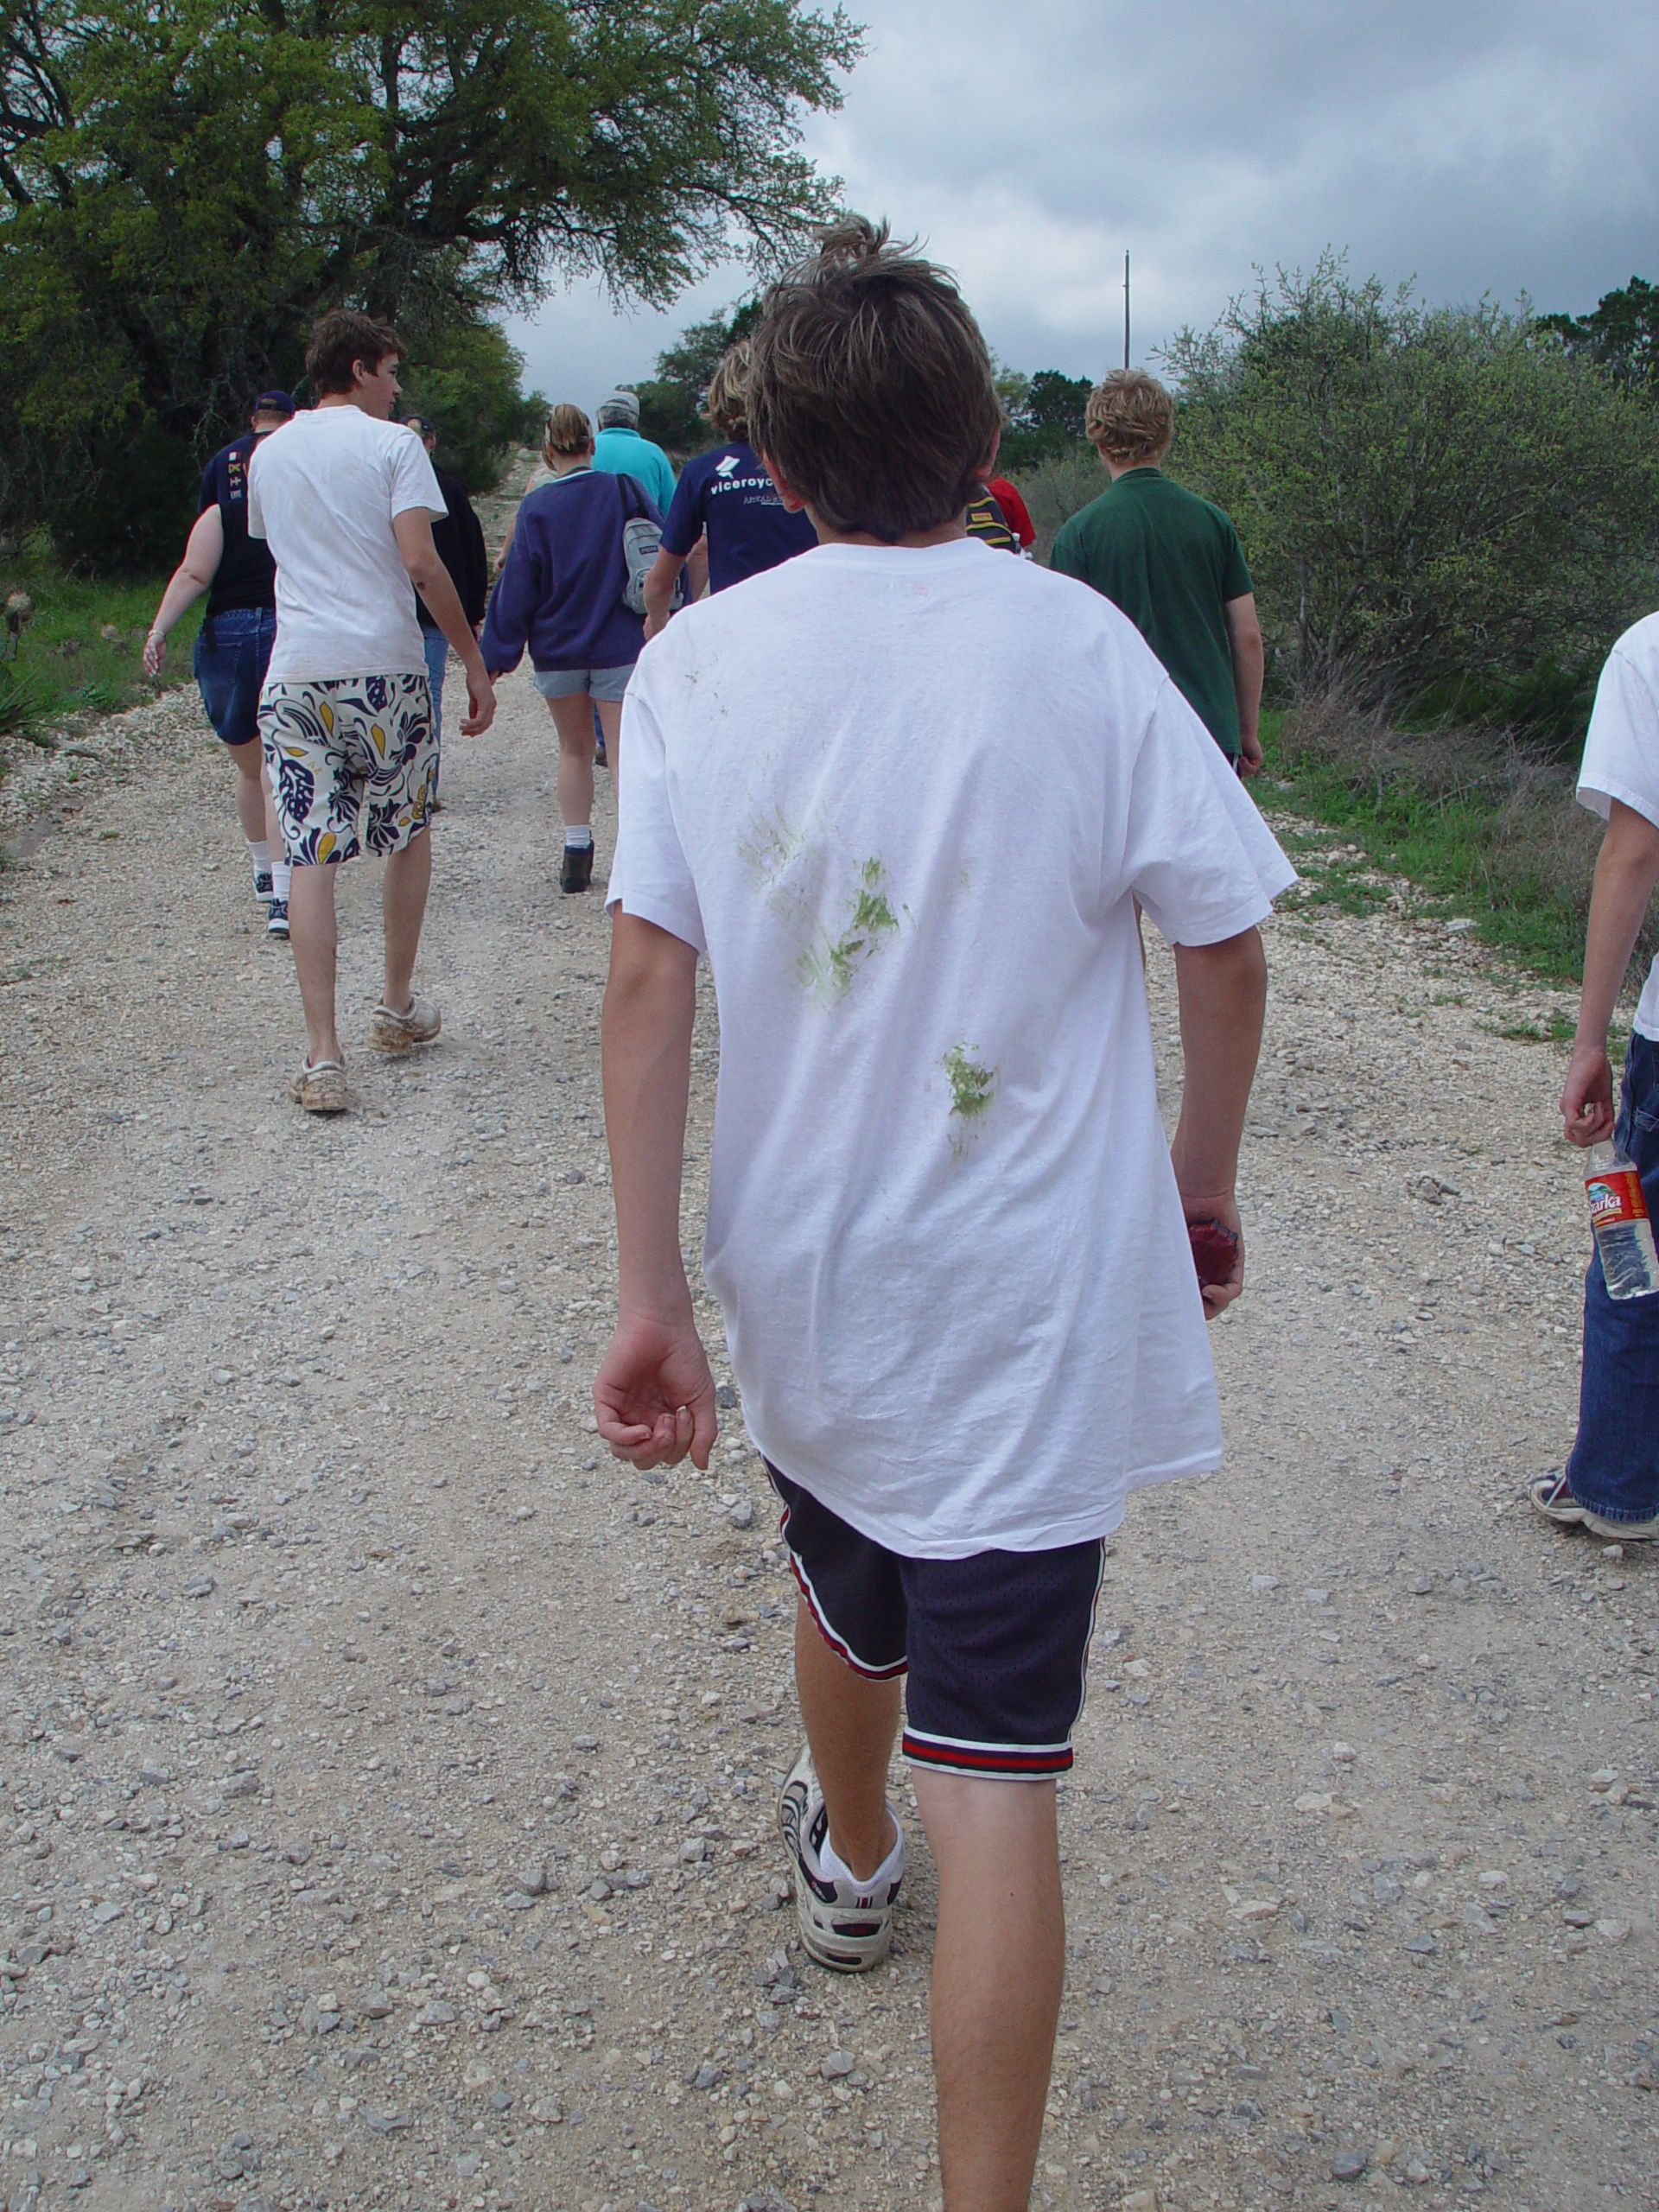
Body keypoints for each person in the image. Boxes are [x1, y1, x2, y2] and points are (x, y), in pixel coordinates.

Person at [595, 217, 1293, 2211]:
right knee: (1004, 1772)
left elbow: (648, 984)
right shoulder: (1068, 635)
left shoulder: (696, 662)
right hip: (1035, 1295)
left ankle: (848, 1857)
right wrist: (1197, 1182)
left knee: (846, 1579)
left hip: (810, 1269)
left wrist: (647, 1290)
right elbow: (1226, 939)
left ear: (781, 468)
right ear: (988, 437)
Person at [248, 309, 495, 1115]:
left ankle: (323, 1054)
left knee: (310, 850)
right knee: (407, 827)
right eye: (390, 371)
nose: (397, 388)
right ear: (358, 369)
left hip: (295, 674)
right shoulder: (395, 447)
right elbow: (421, 562)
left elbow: (275, 549)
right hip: (384, 668)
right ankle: (395, 1004)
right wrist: (471, 659)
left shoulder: (267, 453)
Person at [1530, 611, 1659, 1542]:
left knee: (1635, 1252)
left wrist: (1589, 1037)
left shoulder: (1650, 650)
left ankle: (1617, 1483)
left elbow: (1635, 848)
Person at [1050, 369, 1265, 775]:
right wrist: (1246, 730)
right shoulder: (1213, 523)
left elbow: (1066, 655)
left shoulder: (1078, 535)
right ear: (1165, 436)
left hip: (1121, 741)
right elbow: (1248, 636)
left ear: (1098, 441)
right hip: (1209, 733)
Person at [480, 404, 650, 894]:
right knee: (621, 754)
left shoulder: (536, 507)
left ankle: (577, 853)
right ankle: (635, 858)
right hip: (620, 643)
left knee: (573, 750)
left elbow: (517, 590)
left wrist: (495, 658)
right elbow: (658, 554)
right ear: (591, 446)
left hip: (557, 649)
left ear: (548, 451)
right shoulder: (625, 491)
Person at [143, 390, 295, 937]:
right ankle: (284, 896)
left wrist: (160, 630)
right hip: (289, 627)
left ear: (252, 420)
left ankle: (261, 868)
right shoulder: (302, 481)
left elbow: (193, 573)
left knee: (250, 767)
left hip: (229, 630)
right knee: (284, 767)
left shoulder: (221, 485)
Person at [642, 339, 817, 637]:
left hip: (735, 632)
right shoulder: (813, 465)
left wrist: (657, 624)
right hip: (808, 625)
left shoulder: (703, 473)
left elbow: (660, 583)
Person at [401, 413, 488, 746]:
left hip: (391, 610)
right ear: (432, 442)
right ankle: (423, 789)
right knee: (427, 698)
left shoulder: (381, 487)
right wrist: (471, 614)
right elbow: (473, 553)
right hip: (434, 614)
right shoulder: (449, 490)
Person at [590, 388, 678, 512]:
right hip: (647, 530)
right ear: (635, 421)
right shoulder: (654, 453)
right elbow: (672, 509)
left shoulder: (586, 450)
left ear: (599, 420)